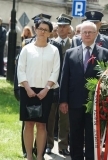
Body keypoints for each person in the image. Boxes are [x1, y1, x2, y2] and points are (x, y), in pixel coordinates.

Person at [59, 21, 108, 160]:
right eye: (84, 32)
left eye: (90, 32)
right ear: (79, 34)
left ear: (96, 34)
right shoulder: (70, 54)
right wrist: (63, 100)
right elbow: (64, 79)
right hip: (74, 101)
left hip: (95, 103)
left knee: (92, 135)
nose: (87, 34)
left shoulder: (105, 54)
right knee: (75, 134)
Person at [15, 13, 63, 158]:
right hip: (27, 90)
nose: (42, 31)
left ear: (50, 33)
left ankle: (40, 155)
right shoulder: (26, 49)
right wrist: (28, 88)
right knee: (28, 124)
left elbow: (56, 72)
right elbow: (21, 70)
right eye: (40, 28)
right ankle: (29, 155)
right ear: (35, 30)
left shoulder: (54, 50)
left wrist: (46, 89)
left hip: (46, 92)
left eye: (45, 29)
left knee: (42, 125)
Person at [46, 13, 73, 156]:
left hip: (67, 86)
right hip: (52, 85)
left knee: (65, 118)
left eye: (64, 26)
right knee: (50, 117)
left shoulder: (74, 44)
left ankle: (63, 145)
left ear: (69, 28)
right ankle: (49, 144)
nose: (62, 29)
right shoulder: (50, 44)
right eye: (59, 26)